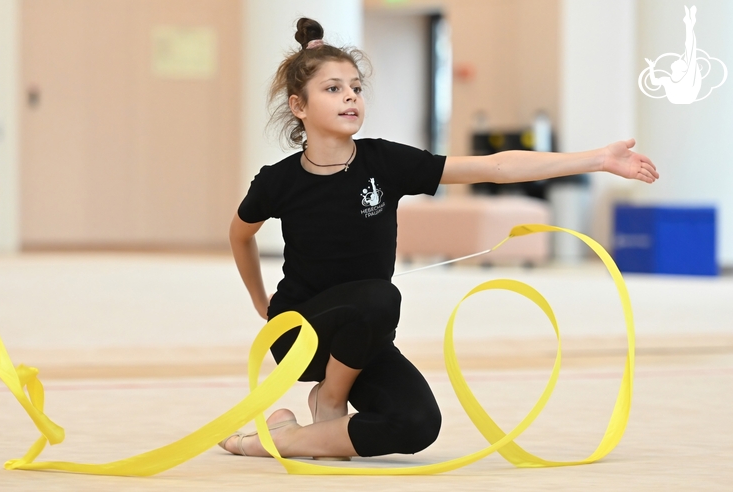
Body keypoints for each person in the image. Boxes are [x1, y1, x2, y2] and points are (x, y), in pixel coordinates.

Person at [220, 18, 658, 460]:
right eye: (333, 89)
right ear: (299, 106)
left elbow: (494, 168)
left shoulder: (384, 162)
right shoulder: (278, 181)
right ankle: (330, 399)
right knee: (380, 297)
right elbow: (241, 235)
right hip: (302, 338)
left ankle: (284, 436)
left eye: (355, 87)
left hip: (363, 336)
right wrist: (261, 301)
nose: (351, 95)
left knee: (417, 424)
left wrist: (598, 159)